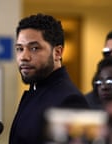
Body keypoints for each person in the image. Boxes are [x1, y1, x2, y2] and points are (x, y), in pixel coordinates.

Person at [9, 13, 89, 144]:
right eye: (20, 49)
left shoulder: (70, 100)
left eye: (34, 48)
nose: (24, 57)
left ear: (57, 52)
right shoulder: (36, 89)